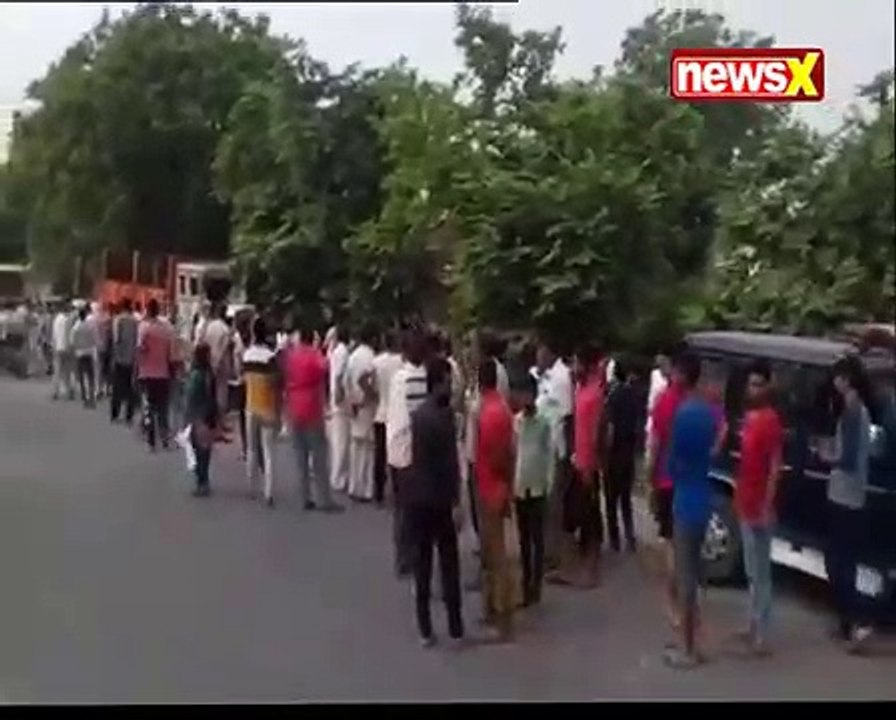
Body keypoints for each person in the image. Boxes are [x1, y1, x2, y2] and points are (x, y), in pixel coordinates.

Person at [405, 356, 466, 648]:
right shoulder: (447, 419)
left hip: (418, 496)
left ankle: (424, 627)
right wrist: (457, 500)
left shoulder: (417, 417)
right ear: (440, 382)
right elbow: (450, 464)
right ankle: (455, 625)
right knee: (449, 563)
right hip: (441, 499)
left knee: (423, 563)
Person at [663, 353, 718, 670]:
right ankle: (695, 639)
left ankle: (688, 648)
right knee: (695, 574)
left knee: (685, 577)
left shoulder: (683, 414)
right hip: (704, 494)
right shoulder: (708, 413)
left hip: (685, 498)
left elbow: (673, 461)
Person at [818, 355, 876, 654]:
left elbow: (849, 458)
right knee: (842, 560)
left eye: (838, 377)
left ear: (847, 379)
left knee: (839, 561)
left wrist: (828, 456)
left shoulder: (853, 412)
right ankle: (848, 624)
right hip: (851, 493)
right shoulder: (857, 411)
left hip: (845, 493)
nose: (834, 382)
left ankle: (856, 621)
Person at [734, 359, 783, 657]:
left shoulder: (770, 420)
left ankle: (762, 632)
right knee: (752, 570)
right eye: (750, 384)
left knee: (762, 571)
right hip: (745, 500)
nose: (753, 389)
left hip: (759, 505)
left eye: (758, 384)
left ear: (767, 386)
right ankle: (753, 624)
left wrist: (767, 503)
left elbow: (775, 467)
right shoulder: (750, 418)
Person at [553, 344, 604, 588]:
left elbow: (595, 434)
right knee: (572, 517)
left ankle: (589, 572)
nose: (574, 367)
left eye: (578, 363)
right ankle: (571, 567)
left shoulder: (595, 393)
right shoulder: (580, 388)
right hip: (577, 459)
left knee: (589, 520)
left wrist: (590, 467)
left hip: (587, 465)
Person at [647, 348, 688, 629]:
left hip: (666, 479)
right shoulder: (700, 401)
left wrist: (650, 475)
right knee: (686, 543)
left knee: (670, 543)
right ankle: (688, 601)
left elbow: (656, 443)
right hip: (691, 479)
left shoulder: (665, 401)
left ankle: (674, 601)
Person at [475, 359, 516, 643]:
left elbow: (499, 456)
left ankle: (503, 620)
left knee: (497, 556)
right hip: (496, 486)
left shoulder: (489, 413)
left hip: (491, 488)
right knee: (491, 553)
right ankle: (492, 610)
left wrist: (502, 482)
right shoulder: (501, 408)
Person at [284, 323, 342, 513]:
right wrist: (319, 347)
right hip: (311, 406)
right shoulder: (314, 355)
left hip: (293, 404)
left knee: (300, 456)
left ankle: (305, 497)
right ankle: (324, 499)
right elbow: (325, 367)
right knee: (318, 456)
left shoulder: (291, 355)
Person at [386, 328, 429, 577]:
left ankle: (403, 556)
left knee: (402, 508)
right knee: (414, 508)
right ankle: (413, 554)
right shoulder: (423, 379)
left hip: (398, 449)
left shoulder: (399, 378)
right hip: (417, 451)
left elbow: (398, 418)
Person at [512, 373, 552, 607]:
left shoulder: (544, 422)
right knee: (524, 539)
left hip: (538, 487)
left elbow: (548, 455)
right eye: (521, 394)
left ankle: (536, 583)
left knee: (537, 537)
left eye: (528, 393)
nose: (524, 398)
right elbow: (514, 454)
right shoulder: (516, 422)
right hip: (520, 486)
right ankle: (525, 583)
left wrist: (548, 482)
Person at [534, 338, 574, 571]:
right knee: (547, 502)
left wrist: (566, 454)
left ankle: (554, 553)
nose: (538, 360)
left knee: (553, 503)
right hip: (545, 446)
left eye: (541, 355)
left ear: (550, 353)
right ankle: (549, 550)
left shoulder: (561, 378)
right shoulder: (548, 376)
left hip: (556, 447)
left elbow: (566, 417)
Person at [242, 316, 280, 507]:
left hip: (251, 405)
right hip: (268, 406)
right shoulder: (270, 357)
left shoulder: (247, 355)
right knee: (268, 451)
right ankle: (269, 492)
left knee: (251, 448)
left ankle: (251, 486)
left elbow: (244, 378)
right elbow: (275, 383)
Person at [603, 356, 641, 553]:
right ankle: (630, 535)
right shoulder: (633, 395)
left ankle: (614, 538)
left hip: (615, 451)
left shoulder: (613, 396)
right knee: (625, 498)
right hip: (629, 451)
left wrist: (605, 453)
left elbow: (610, 427)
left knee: (611, 499)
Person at [137, 298, 174, 451]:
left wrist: (137, 369)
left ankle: (151, 441)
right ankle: (165, 438)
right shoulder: (167, 328)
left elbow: (140, 349)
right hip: (163, 373)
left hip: (147, 373)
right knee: (163, 408)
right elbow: (171, 350)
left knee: (149, 408)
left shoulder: (144, 328)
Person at [346, 325, 379, 502]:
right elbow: (366, 380)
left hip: (354, 404)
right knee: (368, 448)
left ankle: (353, 485)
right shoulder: (371, 358)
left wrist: (350, 400)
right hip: (366, 405)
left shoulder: (353, 356)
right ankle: (366, 488)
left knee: (355, 446)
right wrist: (371, 396)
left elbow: (346, 380)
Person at [373, 330, 403, 506]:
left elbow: (365, 378)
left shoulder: (377, 362)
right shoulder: (402, 363)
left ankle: (378, 491)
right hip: (397, 412)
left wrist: (373, 394)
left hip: (381, 410)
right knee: (397, 453)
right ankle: (397, 490)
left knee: (380, 453)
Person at [184, 342, 218, 497]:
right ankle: (204, 481)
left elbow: (190, 396)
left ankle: (201, 482)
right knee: (205, 450)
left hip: (198, 416)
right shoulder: (209, 373)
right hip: (208, 414)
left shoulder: (196, 374)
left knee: (198, 450)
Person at [327, 325, 351, 494]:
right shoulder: (343, 352)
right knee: (341, 441)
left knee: (338, 440)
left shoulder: (336, 352)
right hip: (340, 400)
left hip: (335, 397)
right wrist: (339, 396)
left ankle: (338, 476)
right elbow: (339, 375)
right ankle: (338, 478)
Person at [110, 299, 138, 424]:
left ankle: (115, 414)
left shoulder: (118, 320)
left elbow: (116, 340)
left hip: (120, 358)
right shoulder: (135, 321)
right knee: (130, 387)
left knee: (117, 387)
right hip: (132, 358)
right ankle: (129, 415)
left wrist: (114, 356)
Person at [203, 303, 232, 417]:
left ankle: (210, 418)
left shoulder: (210, 326)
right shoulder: (225, 329)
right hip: (221, 364)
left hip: (209, 362)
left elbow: (205, 343)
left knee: (209, 392)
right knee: (221, 393)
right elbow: (224, 348)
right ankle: (221, 419)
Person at [70, 305, 98, 408]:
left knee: (82, 377)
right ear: (85, 315)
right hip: (89, 353)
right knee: (91, 377)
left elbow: (72, 341)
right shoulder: (90, 326)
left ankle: (85, 398)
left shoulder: (76, 327)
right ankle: (92, 397)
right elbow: (95, 339)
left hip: (80, 353)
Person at [50, 301, 75, 400]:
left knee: (57, 371)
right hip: (67, 348)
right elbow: (69, 335)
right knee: (68, 371)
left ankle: (55, 392)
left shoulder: (57, 319)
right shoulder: (68, 320)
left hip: (57, 347)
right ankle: (69, 391)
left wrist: (54, 345)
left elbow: (54, 334)